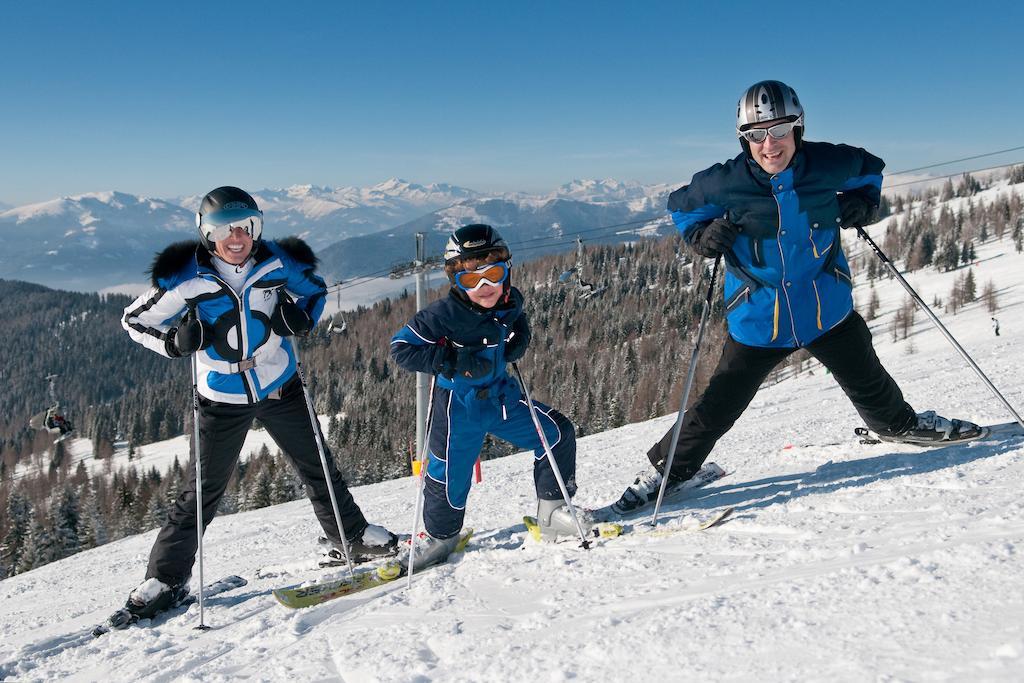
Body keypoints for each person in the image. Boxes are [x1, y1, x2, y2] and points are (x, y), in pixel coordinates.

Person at [613, 81, 985, 515]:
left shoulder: (828, 164)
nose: (769, 144)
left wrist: (864, 204)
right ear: (743, 139)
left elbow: (871, 171)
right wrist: (701, 236)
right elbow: (681, 208)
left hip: (824, 308)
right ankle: (670, 472)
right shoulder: (724, 182)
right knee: (718, 405)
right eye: (756, 134)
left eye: (780, 130)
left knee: (868, 379)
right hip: (758, 318)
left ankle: (898, 426)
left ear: (798, 128)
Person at [119, 186, 397, 619]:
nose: (236, 238)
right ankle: (166, 578)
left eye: (246, 227)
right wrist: (174, 342)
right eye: (223, 229)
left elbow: (315, 291)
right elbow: (135, 320)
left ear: (257, 228)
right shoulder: (186, 278)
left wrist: (301, 316)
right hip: (221, 395)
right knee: (203, 489)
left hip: (279, 384)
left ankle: (351, 537)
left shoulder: (277, 264)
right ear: (206, 234)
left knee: (317, 464)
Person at [390, 224, 586, 566]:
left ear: (506, 271)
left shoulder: (510, 301)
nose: (484, 287)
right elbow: (401, 349)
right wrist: (451, 360)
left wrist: (520, 336)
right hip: (457, 407)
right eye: (471, 280)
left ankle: (553, 512)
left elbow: (516, 317)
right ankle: (440, 537)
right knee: (448, 474)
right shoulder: (442, 315)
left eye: (493, 274)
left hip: (501, 398)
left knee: (557, 435)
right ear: (456, 282)